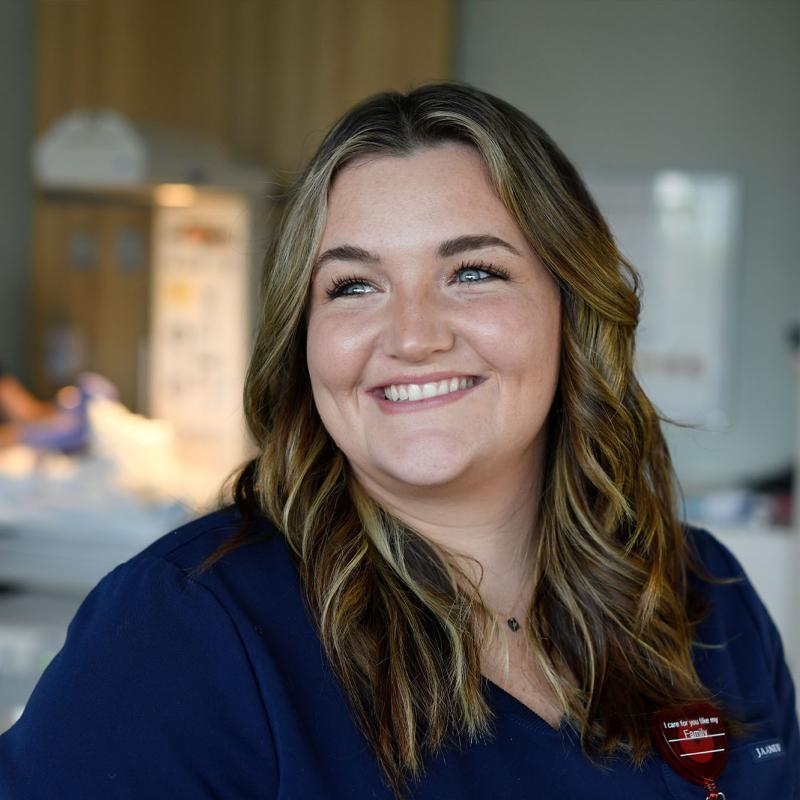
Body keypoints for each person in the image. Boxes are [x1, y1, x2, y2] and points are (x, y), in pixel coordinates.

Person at [0, 82, 797, 799]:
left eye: (473, 271)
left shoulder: (706, 600)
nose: (412, 336)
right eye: (354, 286)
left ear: (571, 309)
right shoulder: (185, 631)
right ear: (303, 341)